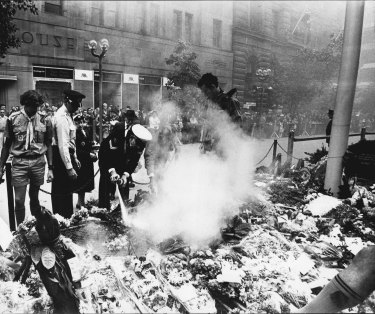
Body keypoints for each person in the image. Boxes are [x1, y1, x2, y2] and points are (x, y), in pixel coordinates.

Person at [0, 90, 54, 225]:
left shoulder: (45, 119)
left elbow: (48, 144)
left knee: (34, 198)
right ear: (24, 104)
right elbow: (7, 145)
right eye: (32, 106)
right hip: (19, 162)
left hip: (38, 162)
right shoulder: (13, 119)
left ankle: (37, 227)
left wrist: (51, 168)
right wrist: (0, 167)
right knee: (18, 199)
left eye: (37, 106)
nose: (35, 109)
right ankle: (21, 230)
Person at [98, 122, 152, 210]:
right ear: (132, 137)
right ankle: (103, 209)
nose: (134, 146)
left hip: (122, 163)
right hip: (106, 159)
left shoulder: (140, 145)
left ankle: (123, 209)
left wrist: (125, 175)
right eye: (134, 142)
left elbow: (133, 162)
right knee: (105, 185)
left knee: (124, 186)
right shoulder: (119, 133)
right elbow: (107, 157)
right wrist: (112, 172)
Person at [51, 90, 85, 218]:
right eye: (75, 105)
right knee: (61, 191)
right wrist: (69, 167)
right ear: (67, 101)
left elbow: (72, 141)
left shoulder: (68, 115)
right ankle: (61, 220)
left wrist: (74, 157)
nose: (77, 108)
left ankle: (66, 217)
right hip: (61, 159)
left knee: (67, 190)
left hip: (67, 156)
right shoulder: (61, 117)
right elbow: (63, 145)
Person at [73, 115, 97, 209]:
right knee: (81, 183)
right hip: (80, 161)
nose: (80, 124)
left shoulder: (86, 131)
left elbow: (89, 143)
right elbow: (76, 150)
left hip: (87, 162)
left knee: (86, 183)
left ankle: (81, 202)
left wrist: (93, 150)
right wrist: (88, 154)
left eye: (81, 122)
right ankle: (80, 203)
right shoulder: (74, 133)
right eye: (77, 123)